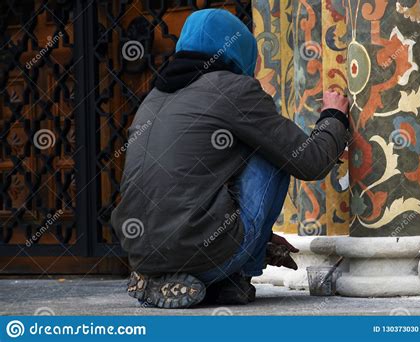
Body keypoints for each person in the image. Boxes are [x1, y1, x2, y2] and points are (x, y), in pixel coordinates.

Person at [111, 8, 349, 309]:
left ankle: (169, 277)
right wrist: (333, 117)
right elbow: (309, 161)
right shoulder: (233, 89)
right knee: (271, 149)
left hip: (140, 255)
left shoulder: (153, 99)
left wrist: (264, 240)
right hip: (204, 252)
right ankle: (236, 274)